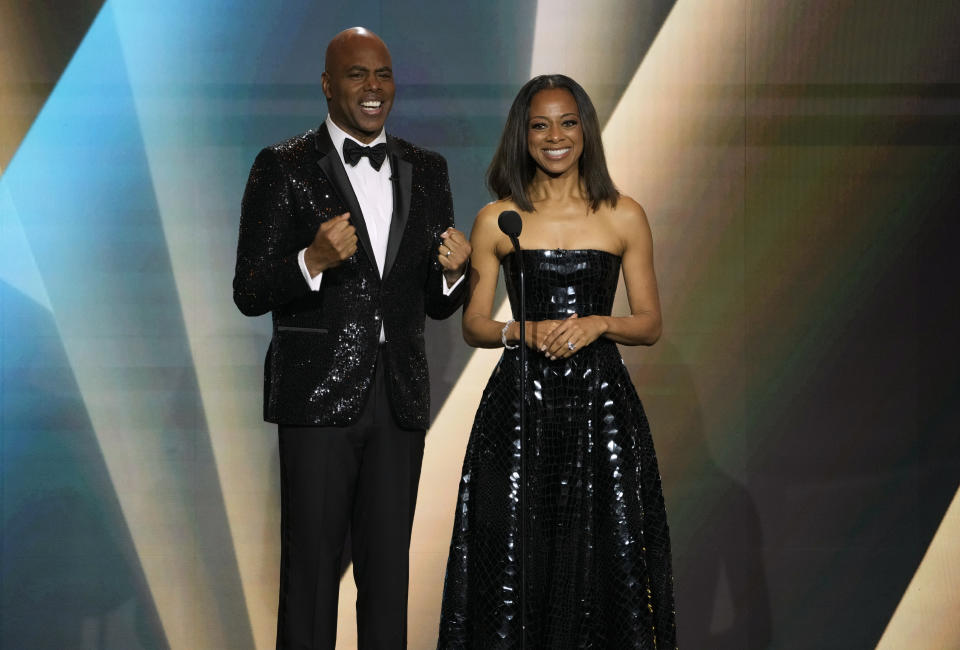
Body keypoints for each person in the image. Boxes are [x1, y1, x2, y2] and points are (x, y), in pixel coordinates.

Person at [233, 27, 470, 649]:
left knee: (388, 576)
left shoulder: (428, 169)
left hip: (399, 399)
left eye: (383, 75)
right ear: (327, 85)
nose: (373, 88)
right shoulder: (281, 166)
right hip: (316, 401)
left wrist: (453, 274)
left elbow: (438, 304)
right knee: (311, 576)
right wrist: (311, 258)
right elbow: (249, 290)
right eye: (357, 75)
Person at [437, 75, 677, 648]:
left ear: (585, 132)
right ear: (522, 136)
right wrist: (524, 330)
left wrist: (600, 323)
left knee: (608, 557)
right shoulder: (499, 218)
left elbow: (650, 323)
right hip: (519, 411)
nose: (554, 136)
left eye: (567, 122)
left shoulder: (624, 215)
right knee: (515, 562)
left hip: (603, 411)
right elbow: (473, 324)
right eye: (539, 125)